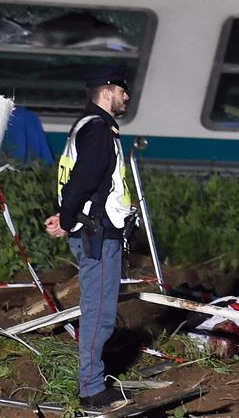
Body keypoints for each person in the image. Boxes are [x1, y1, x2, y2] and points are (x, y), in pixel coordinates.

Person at [43, 65, 136, 411]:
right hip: (97, 235)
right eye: (122, 90)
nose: (127, 96)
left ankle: (93, 384)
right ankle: (92, 391)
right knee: (99, 314)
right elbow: (82, 180)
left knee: (99, 312)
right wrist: (67, 220)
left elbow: (76, 181)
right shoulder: (98, 130)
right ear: (107, 89)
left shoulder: (85, 126)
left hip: (93, 229)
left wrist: (65, 215)